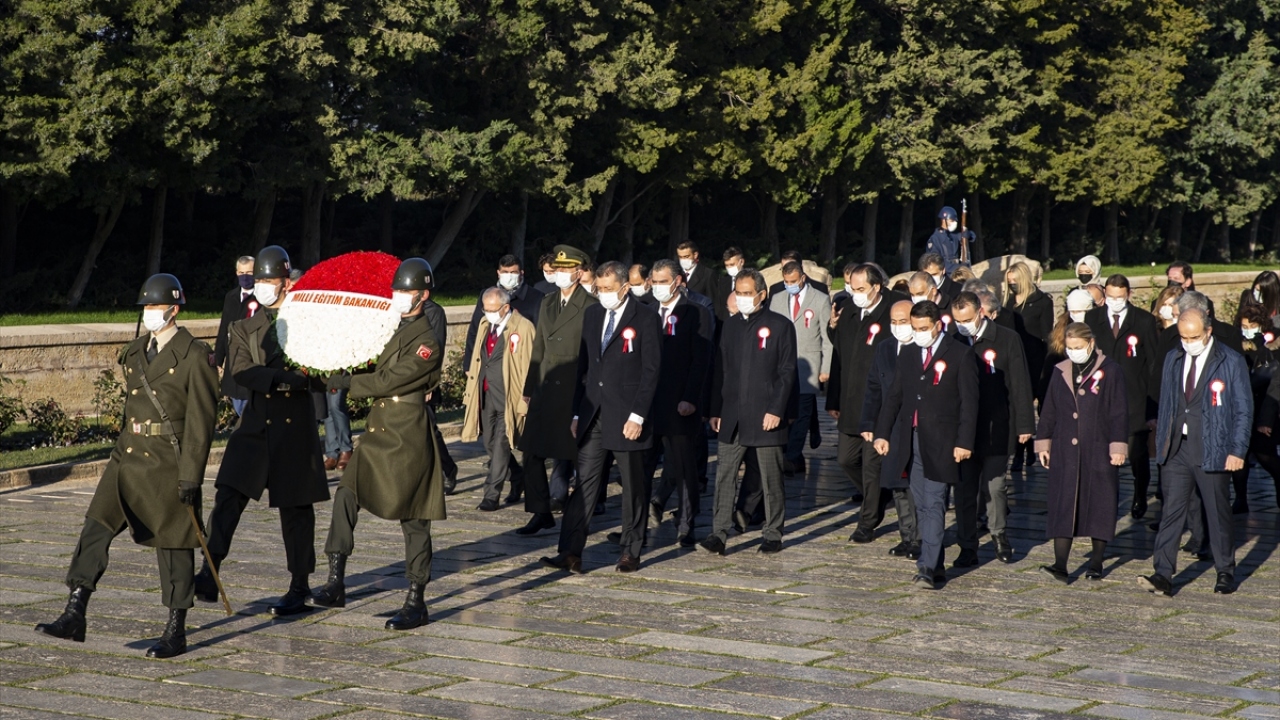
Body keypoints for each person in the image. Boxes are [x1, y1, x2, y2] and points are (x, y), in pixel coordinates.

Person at [35, 274, 218, 658]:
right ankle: (75, 611)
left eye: (156, 307)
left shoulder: (194, 355)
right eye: (146, 308)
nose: (150, 313)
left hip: (167, 463)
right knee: (95, 527)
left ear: (174, 309)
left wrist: (191, 477)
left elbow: (201, 424)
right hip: (128, 455)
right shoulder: (135, 352)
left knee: (173, 544)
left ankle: (175, 628)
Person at [308, 258, 447, 630]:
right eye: (396, 290)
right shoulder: (389, 328)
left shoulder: (427, 341)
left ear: (423, 295)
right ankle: (335, 580)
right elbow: (369, 361)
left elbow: (390, 380)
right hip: (378, 431)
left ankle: (416, 600)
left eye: (406, 291)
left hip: (405, 434)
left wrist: (345, 383)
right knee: (346, 495)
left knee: (414, 517)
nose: (398, 297)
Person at [194, 246, 330, 617]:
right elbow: (241, 369)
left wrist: (307, 379)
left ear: (286, 283)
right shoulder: (244, 326)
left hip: (294, 428)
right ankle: (210, 569)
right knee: (228, 495)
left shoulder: (308, 323)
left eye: (269, 281)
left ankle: (299, 586)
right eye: (259, 282)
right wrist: (285, 379)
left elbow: (324, 373)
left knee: (296, 510)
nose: (263, 288)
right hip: (255, 422)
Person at [541, 261, 662, 573]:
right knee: (585, 483)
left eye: (609, 289)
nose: (603, 294)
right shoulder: (593, 314)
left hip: (627, 416)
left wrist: (638, 416)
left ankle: (630, 550)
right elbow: (585, 367)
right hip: (594, 413)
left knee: (633, 487)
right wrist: (578, 411)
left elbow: (651, 372)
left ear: (624, 287)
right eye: (599, 289)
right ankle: (570, 550)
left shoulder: (646, 318)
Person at [1140, 308, 1252, 596]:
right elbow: (1168, 401)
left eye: (1194, 336)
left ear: (1208, 331)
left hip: (1213, 447)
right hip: (1178, 447)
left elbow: (1243, 409)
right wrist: (1162, 441)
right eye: (1183, 337)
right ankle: (1162, 573)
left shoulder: (1230, 361)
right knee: (1171, 512)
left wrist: (1237, 449)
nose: (1188, 342)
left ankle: (1225, 569)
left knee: (1217, 512)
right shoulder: (1173, 357)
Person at [874, 300, 978, 590]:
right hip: (912, 439)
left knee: (933, 503)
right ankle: (938, 564)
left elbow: (970, 404)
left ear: (937, 325)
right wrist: (882, 433)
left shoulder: (960, 354)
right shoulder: (908, 353)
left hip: (943, 442)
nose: (918, 333)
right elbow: (894, 396)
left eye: (923, 328)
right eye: (914, 328)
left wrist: (964, 441)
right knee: (921, 504)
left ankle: (926, 568)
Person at [702, 268, 798, 555]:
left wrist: (776, 409)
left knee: (770, 478)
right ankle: (718, 533)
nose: (742, 298)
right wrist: (715, 409)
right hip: (733, 415)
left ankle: (772, 533)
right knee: (725, 476)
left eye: (747, 293)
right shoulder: (730, 326)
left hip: (766, 415)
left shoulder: (780, 326)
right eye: (738, 293)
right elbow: (721, 369)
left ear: (761, 294)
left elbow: (787, 371)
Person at [1035, 322, 1129, 582]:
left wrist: (1118, 446)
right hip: (1065, 449)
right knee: (1062, 504)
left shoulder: (1111, 370)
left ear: (1090, 343)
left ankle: (1096, 562)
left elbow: (1119, 411)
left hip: (1098, 448)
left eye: (1078, 347)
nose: (1074, 352)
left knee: (1099, 502)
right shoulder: (1060, 371)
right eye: (1069, 347)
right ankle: (1060, 565)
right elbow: (1049, 410)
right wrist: (1044, 442)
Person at [949, 291, 1035, 566]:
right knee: (964, 488)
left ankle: (999, 534)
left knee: (996, 485)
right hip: (963, 428)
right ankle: (967, 544)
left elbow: (1020, 384)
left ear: (980, 313)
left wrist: (1024, 423)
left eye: (966, 319)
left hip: (997, 424)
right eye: (957, 320)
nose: (962, 325)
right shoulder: (953, 340)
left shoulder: (1007, 338)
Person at [518, 245, 599, 534]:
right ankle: (540, 511)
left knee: (574, 456)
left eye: (566, 270)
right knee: (530, 452)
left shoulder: (591, 305)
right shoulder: (548, 301)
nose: (561, 274)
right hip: (544, 389)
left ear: (579, 272)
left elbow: (592, 353)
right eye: (558, 269)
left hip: (573, 390)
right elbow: (539, 345)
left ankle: (583, 512)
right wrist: (529, 388)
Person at [826, 263, 907, 540]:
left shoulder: (895, 308)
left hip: (878, 402)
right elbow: (840, 352)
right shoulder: (849, 308)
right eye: (852, 288)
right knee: (846, 459)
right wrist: (832, 327)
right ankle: (879, 493)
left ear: (876, 287)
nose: (855, 293)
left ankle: (867, 522)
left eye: (861, 289)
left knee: (872, 464)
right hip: (851, 400)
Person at [644, 260, 714, 546]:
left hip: (680, 403)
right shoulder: (646, 312)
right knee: (643, 467)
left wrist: (691, 398)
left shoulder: (696, 312)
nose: (658, 286)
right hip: (648, 404)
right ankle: (636, 525)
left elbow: (701, 361)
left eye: (663, 280)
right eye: (654, 281)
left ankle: (686, 523)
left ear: (677, 281)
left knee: (684, 467)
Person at [1085, 274, 1159, 519]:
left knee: (1136, 452)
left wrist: (1151, 407)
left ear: (1128, 294)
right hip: (1101, 396)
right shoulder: (1092, 318)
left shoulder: (1144, 321)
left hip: (1134, 398)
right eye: (1110, 296)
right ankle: (1106, 499)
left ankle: (1140, 494)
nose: (1115, 301)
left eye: (1120, 296)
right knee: (1104, 452)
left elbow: (1152, 364)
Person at [462, 287, 536, 510]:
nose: (488, 313)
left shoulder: (523, 327)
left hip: (509, 395)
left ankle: (491, 494)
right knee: (489, 444)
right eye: (485, 309)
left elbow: (531, 365)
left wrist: (526, 398)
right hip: (486, 393)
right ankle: (517, 475)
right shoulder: (486, 325)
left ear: (506, 307)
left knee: (502, 444)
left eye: (493, 309)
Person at [860, 299, 921, 558]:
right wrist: (869, 423)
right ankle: (907, 536)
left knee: (916, 485)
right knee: (897, 483)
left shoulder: (924, 348)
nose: (898, 327)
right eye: (894, 322)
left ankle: (920, 538)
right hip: (891, 424)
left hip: (917, 425)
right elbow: (874, 387)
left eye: (903, 322)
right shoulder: (884, 347)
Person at [769, 260, 830, 475]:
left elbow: (826, 337)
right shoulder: (777, 299)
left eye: (793, 281)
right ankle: (791, 455)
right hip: (781, 367)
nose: (790, 285)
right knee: (785, 412)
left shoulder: (820, 300)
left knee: (803, 413)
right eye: (786, 282)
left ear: (802, 278)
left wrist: (826, 366)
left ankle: (791, 456)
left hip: (809, 368)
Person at [1233, 303, 1279, 513]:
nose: (1247, 329)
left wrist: (1265, 420)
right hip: (1242, 409)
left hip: (1262, 408)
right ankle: (1240, 499)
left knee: (1266, 456)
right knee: (1240, 456)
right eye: (1244, 325)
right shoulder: (1237, 346)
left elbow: (1275, 385)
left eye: (1252, 325)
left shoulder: (1272, 348)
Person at [417, 271, 459, 495]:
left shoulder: (433, 312)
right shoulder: (398, 312)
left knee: (429, 430)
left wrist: (429, 384)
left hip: (424, 381)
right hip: (402, 380)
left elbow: (435, 351)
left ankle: (447, 469)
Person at [462, 254, 545, 368]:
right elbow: (474, 331)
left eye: (513, 272)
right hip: (488, 362)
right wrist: (468, 364)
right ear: (498, 273)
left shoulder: (536, 298)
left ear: (521, 273)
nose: (509, 276)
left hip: (518, 364)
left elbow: (539, 335)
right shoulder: (487, 295)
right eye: (505, 272)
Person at [215, 255, 257, 416]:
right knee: (238, 404)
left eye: (249, 272)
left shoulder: (262, 298)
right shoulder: (231, 297)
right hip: (233, 359)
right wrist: (218, 358)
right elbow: (224, 327)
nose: (245, 276)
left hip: (252, 359)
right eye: (241, 272)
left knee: (250, 408)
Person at [924, 206, 973, 273]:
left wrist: (968, 234)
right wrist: (959, 267)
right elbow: (937, 262)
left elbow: (972, 236)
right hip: (944, 273)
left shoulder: (953, 235)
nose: (954, 223)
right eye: (951, 220)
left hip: (956, 272)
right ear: (944, 220)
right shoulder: (934, 239)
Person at [765, 250, 830, 296]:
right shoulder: (775, 290)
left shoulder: (819, 288)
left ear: (801, 267)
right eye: (783, 268)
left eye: (791, 267)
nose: (787, 271)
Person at [716, 247, 746, 324]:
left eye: (732, 264)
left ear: (741, 262)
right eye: (727, 265)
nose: (729, 268)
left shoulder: (752, 279)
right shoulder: (723, 282)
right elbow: (721, 307)